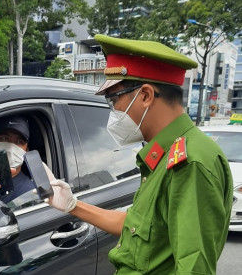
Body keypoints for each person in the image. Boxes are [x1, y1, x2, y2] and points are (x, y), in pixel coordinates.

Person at [44, 35, 233, 274]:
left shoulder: (190, 162)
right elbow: (135, 225)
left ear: (145, 95)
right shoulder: (161, 155)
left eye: (114, 100)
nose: (113, 113)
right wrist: (72, 205)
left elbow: (194, 267)